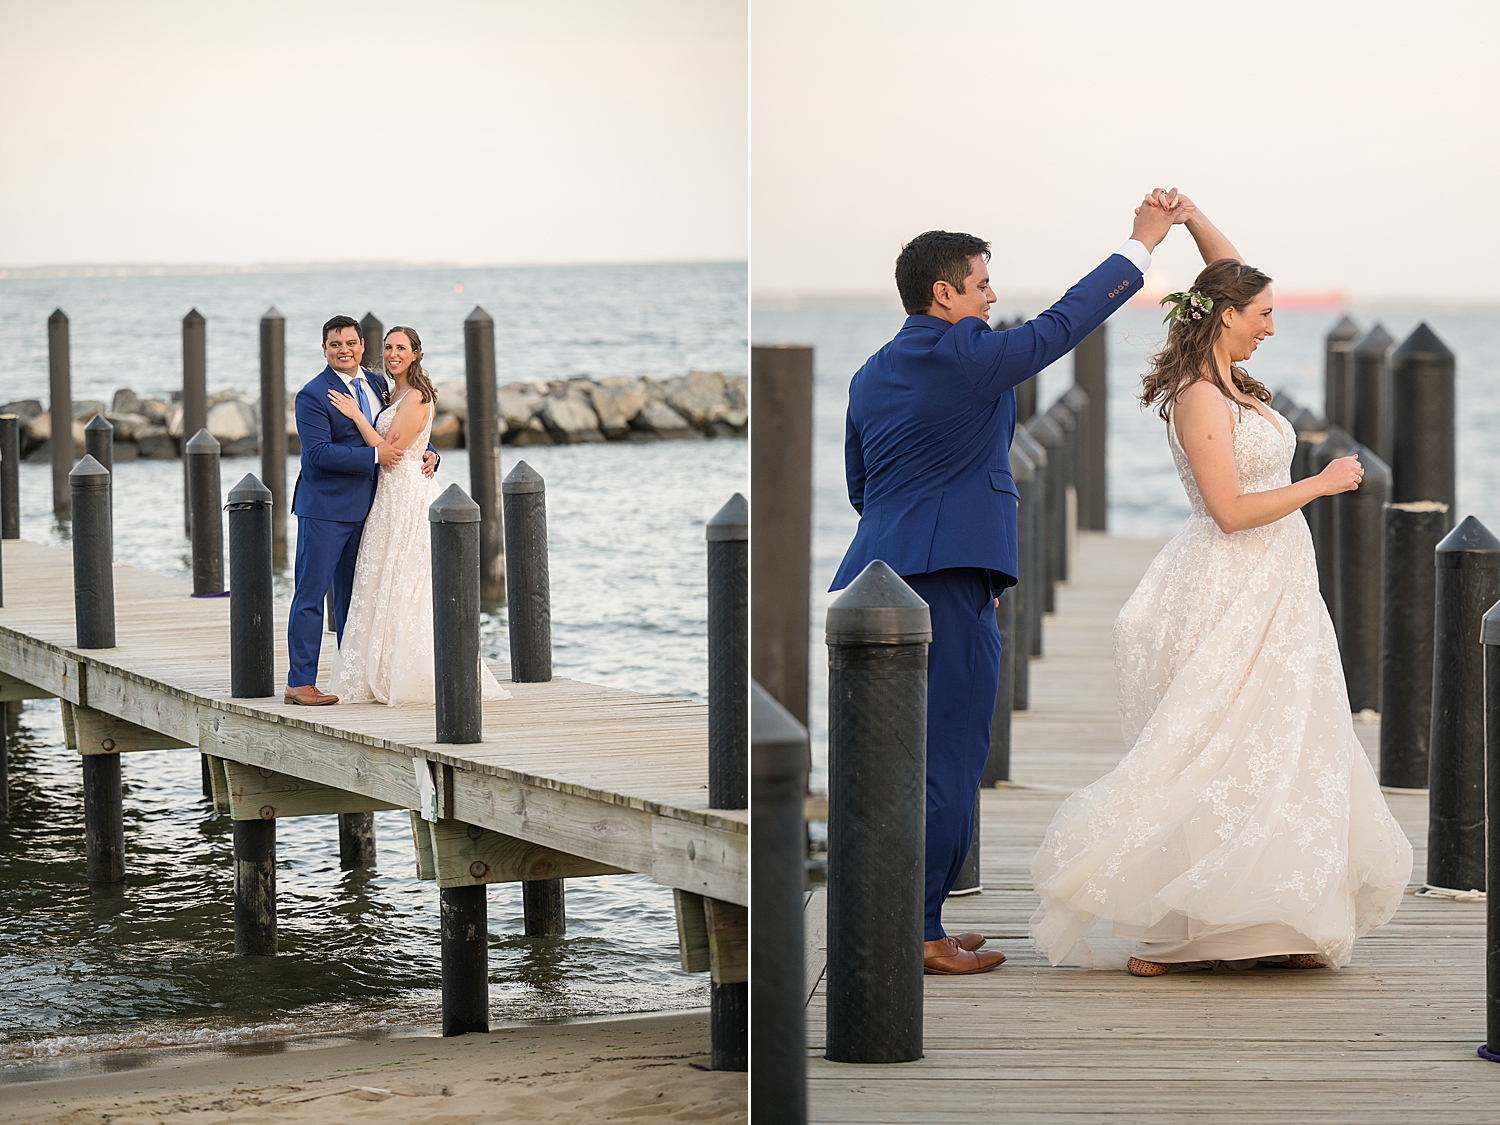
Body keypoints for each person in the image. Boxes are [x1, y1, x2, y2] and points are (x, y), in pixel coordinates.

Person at [1029, 198, 1412, 975]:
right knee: (1214, 750)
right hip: (1231, 585)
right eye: (1263, 314)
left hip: (1282, 590)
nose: (1272, 326)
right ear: (1228, 317)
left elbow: (1227, 271)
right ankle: (1178, 929)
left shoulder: (1231, 376)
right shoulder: (1201, 396)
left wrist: (1194, 214)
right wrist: (1321, 483)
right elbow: (1231, 511)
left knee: (1286, 746)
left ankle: (1280, 921)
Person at [831, 190, 1180, 975]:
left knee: (890, 758)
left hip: (871, 587)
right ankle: (919, 932)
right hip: (948, 587)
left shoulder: (869, 372)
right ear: (944, 293)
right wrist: (1139, 244)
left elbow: (863, 487)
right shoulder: (968, 352)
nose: (992, 296)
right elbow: (1064, 324)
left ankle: (897, 918)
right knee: (951, 757)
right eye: (982, 284)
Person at [328, 325, 509, 706]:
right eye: (388, 347)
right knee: (382, 581)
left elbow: (391, 451)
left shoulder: (418, 395)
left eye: (401, 348)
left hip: (406, 495)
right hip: (386, 497)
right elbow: (416, 443)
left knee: (408, 580)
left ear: (415, 354)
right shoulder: (387, 389)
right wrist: (432, 451)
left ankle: (410, 674)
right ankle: (380, 667)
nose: (393, 353)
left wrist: (356, 415)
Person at [284, 315, 439, 706]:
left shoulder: (375, 383)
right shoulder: (313, 395)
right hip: (326, 510)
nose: (344, 350)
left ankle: (355, 677)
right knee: (311, 594)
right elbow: (317, 454)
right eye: (336, 344)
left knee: (361, 599)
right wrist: (374, 455)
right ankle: (299, 682)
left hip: (373, 511)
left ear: (361, 347)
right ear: (324, 349)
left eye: (351, 343)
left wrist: (431, 452)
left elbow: (408, 424)